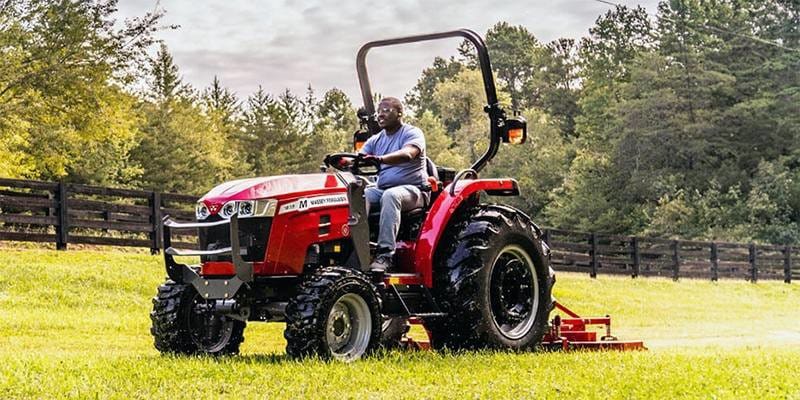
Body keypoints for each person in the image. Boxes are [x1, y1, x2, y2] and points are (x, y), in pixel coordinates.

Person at [359, 97, 428, 272]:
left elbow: (408, 154)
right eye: (379, 112)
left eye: (387, 110)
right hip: (382, 189)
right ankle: (357, 247)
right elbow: (359, 159)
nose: (381, 115)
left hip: (414, 191)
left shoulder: (412, 133)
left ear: (400, 113)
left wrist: (380, 159)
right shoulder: (376, 139)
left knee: (392, 195)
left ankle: (385, 255)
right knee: (359, 194)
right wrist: (342, 161)